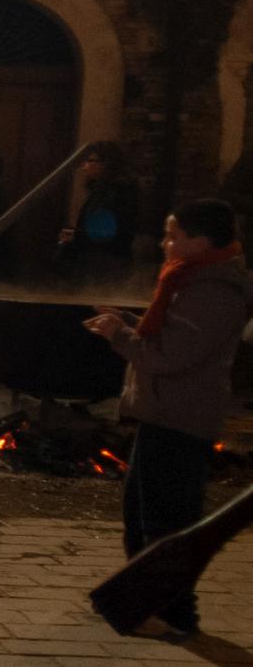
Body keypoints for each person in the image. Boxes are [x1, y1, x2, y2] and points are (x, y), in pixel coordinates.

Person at [86, 198, 252, 639]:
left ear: (199, 242)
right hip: (163, 410)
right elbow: (171, 337)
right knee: (142, 514)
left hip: (182, 415)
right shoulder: (189, 279)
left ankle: (177, 611)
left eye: (173, 235)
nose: (165, 243)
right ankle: (140, 599)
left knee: (167, 520)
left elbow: (173, 356)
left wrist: (120, 336)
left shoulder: (215, 290)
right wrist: (130, 324)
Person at [54, 140, 141, 284]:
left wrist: (76, 237)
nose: (84, 166)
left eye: (90, 160)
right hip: (100, 262)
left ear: (106, 163)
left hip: (105, 265)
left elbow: (107, 232)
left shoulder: (116, 192)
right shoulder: (104, 191)